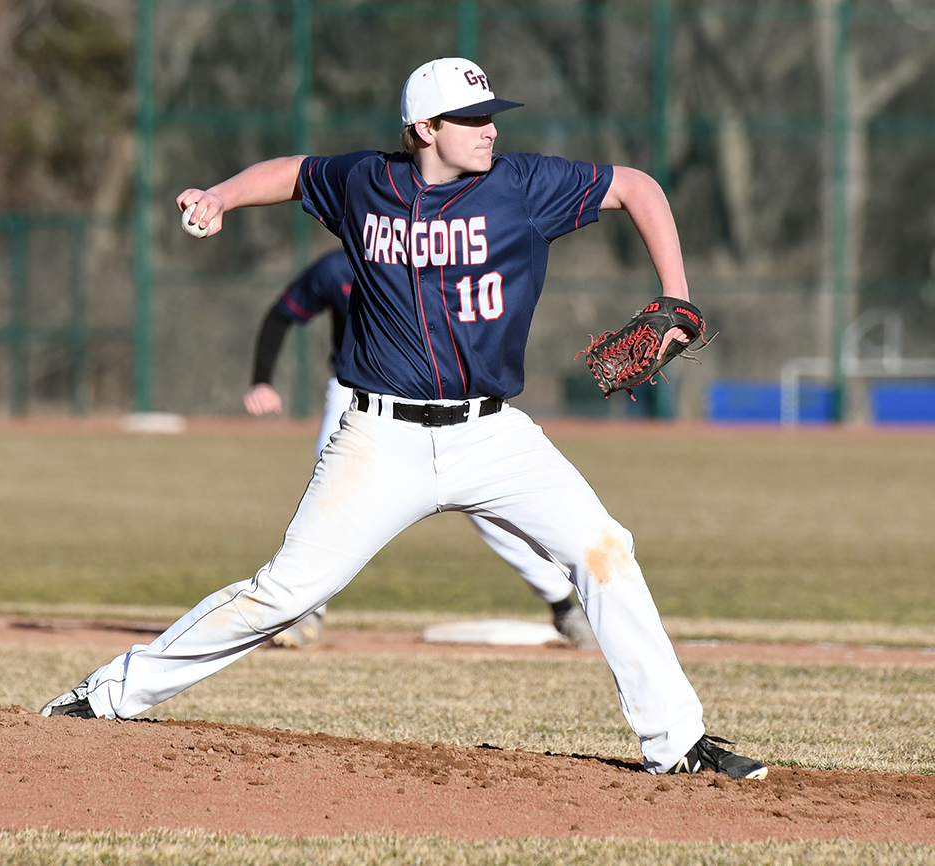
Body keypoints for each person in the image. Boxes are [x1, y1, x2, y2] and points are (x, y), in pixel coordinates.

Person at [41, 57, 767, 780]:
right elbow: (296, 172)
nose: (488, 131)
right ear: (425, 128)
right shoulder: (366, 184)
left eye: (491, 117)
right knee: (284, 594)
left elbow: (637, 187)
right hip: (379, 439)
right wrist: (222, 196)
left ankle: (676, 742)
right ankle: (103, 697)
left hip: (492, 434)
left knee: (605, 550)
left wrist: (677, 297)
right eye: (472, 119)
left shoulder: (521, 187)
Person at [246, 248, 597, 650]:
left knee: (491, 507)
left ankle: (563, 606)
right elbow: (282, 314)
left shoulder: (437, 253)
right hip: (355, 393)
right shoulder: (336, 268)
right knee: (335, 496)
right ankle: (307, 611)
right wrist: (261, 380)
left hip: (443, 397)